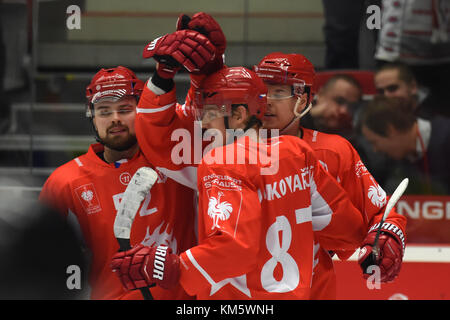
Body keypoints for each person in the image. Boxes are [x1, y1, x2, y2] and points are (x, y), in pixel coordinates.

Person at [111, 65, 370, 299]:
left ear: (238, 115)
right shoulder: (296, 152)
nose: (203, 124)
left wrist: (173, 267)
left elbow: (235, 249)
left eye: (211, 113)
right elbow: (348, 231)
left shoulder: (221, 162)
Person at [253, 52, 407, 299]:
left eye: (279, 92)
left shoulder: (333, 151)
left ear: (303, 101)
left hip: (312, 291)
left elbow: (380, 212)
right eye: (262, 90)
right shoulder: (226, 150)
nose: (267, 101)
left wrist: (385, 236)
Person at [39, 66, 197, 300]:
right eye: (104, 111)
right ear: (91, 115)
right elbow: (41, 260)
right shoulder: (65, 181)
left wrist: (199, 72)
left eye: (125, 109)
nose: (115, 119)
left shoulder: (177, 161)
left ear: (141, 111)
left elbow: (200, 114)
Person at [361, 95, 450, 195]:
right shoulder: (400, 160)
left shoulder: (446, 137)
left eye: (374, 142)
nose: (375, 149)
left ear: (390, 130)